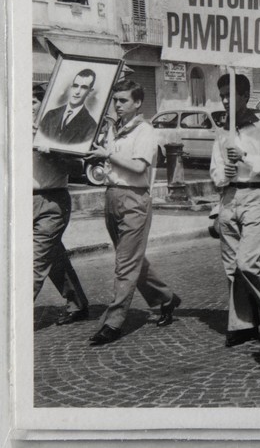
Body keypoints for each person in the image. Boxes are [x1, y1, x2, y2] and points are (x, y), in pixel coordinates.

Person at [85, 80, 180, 345]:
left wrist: (108, 155)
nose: (117, 105)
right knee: (133, 259)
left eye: (123, 100)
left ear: (137, 103)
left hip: (134, 199)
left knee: (125, 263)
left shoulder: (145, 130)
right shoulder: (114, 130)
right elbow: (110, 160)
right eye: (115, 100)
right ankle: (166, 298)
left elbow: (139, 168)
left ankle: (112, 323)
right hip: (112, 196)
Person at [209, 73, 260, 348]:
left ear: (245, 96)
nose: (226, 100)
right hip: (229, 197)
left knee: (246, 262)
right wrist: (224, 174)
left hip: (256, 196)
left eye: (231, 95)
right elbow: (215, 170)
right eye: (222, 96)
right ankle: (243, 324)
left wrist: (245, 158)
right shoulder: (222, 132)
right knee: (231, 268)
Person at [32, 84, 89, 325]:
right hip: (22, 201)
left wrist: (54, 153)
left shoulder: (58, 132)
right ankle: (77, 303)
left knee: (33, 263)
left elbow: (78, 168)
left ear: (44, 104)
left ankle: (10, 318)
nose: (27, 107)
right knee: (53, 256)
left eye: (33, 102)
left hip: (52, 201)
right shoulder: (11, 127)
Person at [38, 68, 99, 145]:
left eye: (83, 87)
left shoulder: (91, 126)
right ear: (71, 87)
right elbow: (39, 140)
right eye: (75, 86)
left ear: (90, 92)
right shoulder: (50, 115)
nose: (77, 92)